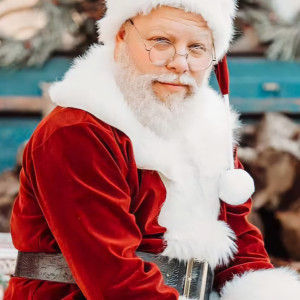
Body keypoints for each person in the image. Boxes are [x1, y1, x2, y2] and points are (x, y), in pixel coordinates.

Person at [4, 0, 300, 299]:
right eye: (161, 42)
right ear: (121, 37)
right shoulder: (78, 131)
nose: (180, 64)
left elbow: (241, 243)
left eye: (197, 48)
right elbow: (113, 277)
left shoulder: (209, 129)